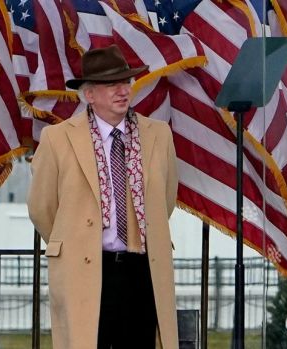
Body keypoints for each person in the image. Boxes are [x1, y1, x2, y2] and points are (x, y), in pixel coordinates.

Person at [28, 45, 179, 349]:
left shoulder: (159, 134)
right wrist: (74, 241)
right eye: (112, 85)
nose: (123, 91)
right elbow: (42, 209)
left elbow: (165, 200)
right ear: (89, 94)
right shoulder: (57, 139)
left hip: (142, 270)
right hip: (85, 268)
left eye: (126, 82)